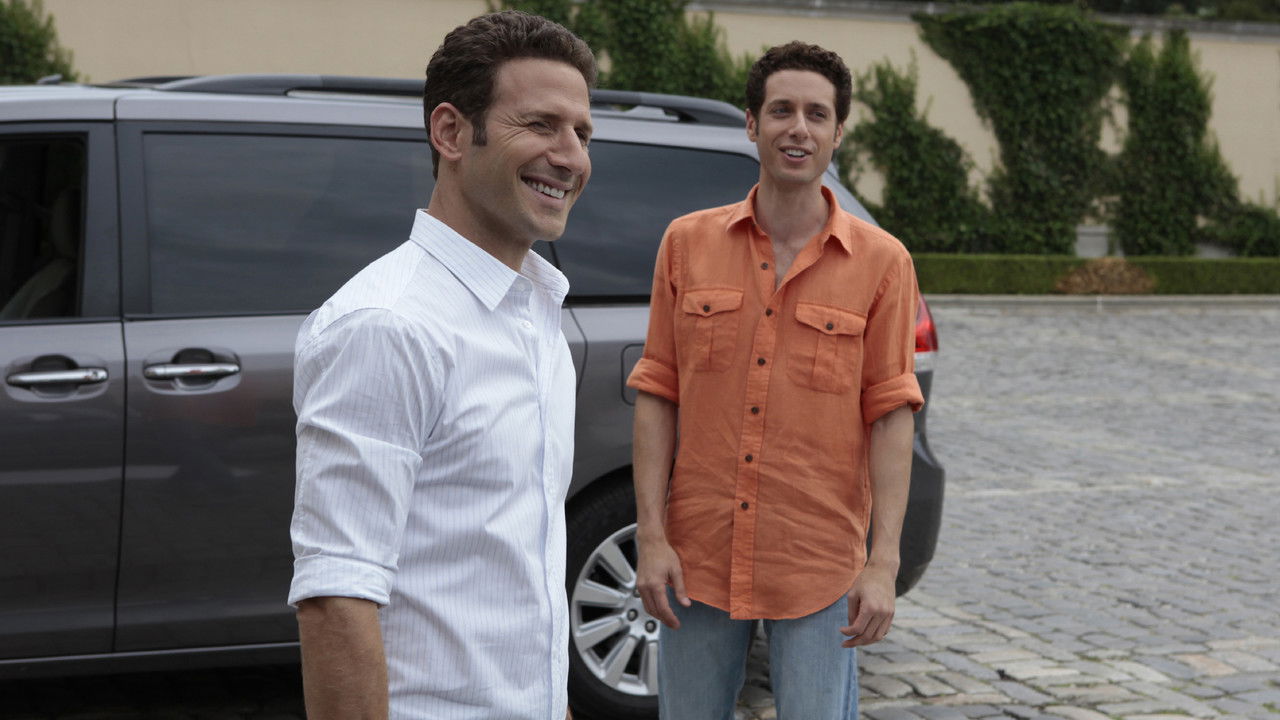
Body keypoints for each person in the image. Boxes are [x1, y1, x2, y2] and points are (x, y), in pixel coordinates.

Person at [288, 11, 594, 720]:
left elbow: (519, 570)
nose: (572, 156)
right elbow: (337, 597)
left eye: (583, 133)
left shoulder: (537, 317)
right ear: (451, 133)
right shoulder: (389, 324)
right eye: (541, 125)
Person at [627, 41, 924, 720]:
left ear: (838, 133)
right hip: (698, 556)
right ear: (752, 124)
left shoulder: (883, 262)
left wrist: (882, 563)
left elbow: (891, 415)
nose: (799, 128)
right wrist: (652, 537)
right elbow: (658, 393)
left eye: (817, 114)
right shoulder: (686, 244)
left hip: (818, 562)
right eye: (781, 110)